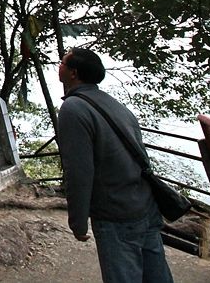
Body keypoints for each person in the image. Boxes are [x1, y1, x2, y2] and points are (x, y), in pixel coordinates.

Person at [57, 47, 175, 283]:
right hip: (143, 202)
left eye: (62, 62)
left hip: (115, 212)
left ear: (73, 73)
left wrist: (78, 222)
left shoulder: (73, 109)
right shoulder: (113, 104)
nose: (58, 66)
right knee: (156, 274)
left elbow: (79, 171)